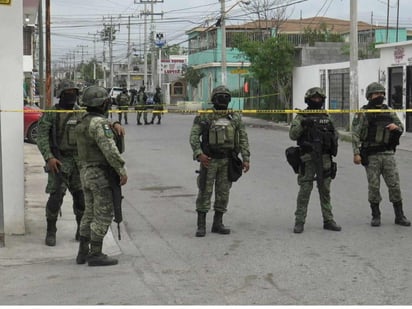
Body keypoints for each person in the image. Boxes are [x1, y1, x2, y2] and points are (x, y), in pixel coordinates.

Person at [75, 85, 128, 266]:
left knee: (89, 213)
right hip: (100, 174)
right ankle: (95, 253)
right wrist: (121, 169)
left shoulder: (81, 121)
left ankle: (82, 252)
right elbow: (110, 149)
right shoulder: (99, 124)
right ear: (103, 103)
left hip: (85, 172)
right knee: (103, 213)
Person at [189, 85, 250, 237]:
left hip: (227, 160)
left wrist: (246, 158)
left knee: (223, 193)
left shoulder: (234, 117)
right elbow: (194, 136)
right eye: (219, 97)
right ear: (213, 99)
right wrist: (199, 154)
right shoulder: (204, 116)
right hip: (209, 160)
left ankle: (218, 223)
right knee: (205, 191)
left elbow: (243, 137)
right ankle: (201, 225)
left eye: (225, 97)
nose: (223, 100)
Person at [352, 82, 410, 227]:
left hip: (388, 154)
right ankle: (376, 215)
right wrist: (356, 153)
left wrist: (396, 127)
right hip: (371, 155)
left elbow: (401, 127)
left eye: (382, 93)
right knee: (374, 186)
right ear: (370, 96)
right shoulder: (364, 112)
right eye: (377, 94)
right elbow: (355, 133)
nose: (381, 96)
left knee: (394, 184)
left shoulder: (389, 111)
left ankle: (399, 215)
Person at [37, 79, 85, 246]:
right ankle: (51, 230)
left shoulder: (82, 113)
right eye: (67, 93)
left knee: (81, 198)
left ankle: (81, 229)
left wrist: (114, 124)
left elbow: (97, 124)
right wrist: (49, 157)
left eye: (74, 93)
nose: (71, 96)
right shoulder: (52, 113)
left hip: (79, 162)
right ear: (61, 95)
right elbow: (41, 135)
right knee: (56, 197)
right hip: (59, 160)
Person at [289, 87, 341, 233]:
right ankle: (299, 221)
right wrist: (304, 125)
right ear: (308, 100)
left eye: (319, 99)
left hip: (324, 158)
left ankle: (328, 220)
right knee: (305, 190)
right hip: (308, 158)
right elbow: (293, 135)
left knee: (325, 190)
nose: (317, 101)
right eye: (314, 98)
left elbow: (335, 135)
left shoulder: (327, 117)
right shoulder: (301, 116)